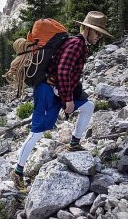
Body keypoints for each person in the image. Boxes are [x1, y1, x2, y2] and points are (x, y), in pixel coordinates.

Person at [11, 11, 113, 193]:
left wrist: (72, 97)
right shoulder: (76, 44)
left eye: (100, 34)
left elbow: (69, 74)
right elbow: (63, 71)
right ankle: (18, 172)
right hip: (47, 91)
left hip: (58, 90)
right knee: (37, 132)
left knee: (88, 106)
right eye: (97, 33)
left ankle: (74, 143)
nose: (99, 37)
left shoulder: (79, 45)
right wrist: (68, 101)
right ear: (87, 29)